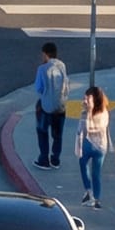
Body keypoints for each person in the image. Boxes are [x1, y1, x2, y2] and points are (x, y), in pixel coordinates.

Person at [33, 41, 69, 169]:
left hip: (46, 107)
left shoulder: (42, 69)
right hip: (60, 107)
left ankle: (44, 159)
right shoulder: (62, 66)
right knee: (57, 135)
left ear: (45, 54)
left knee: (42, 131)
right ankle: (55, 159)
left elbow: (39, 88)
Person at [77, 85, 110, 208]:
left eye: (87, 98)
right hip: (99, 145)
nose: (85, 101)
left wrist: (88, 112)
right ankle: (94, 196)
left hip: (92, 145)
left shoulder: (97, 113)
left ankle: (92, 194)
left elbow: (87, 129)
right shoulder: (103, 112)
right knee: (91, 170)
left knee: (88, 168)